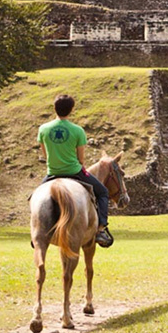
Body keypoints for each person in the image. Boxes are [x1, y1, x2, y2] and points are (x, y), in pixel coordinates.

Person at [37, 94, 113, 247]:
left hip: (52, 173)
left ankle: (37, 231)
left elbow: (46, 155)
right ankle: (100, 229)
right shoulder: (78, 130)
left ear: (54, 108)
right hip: (74, 172)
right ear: (71, 110)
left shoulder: (43, 129)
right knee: (103, 192)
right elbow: (81, 159)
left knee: (35, 198)